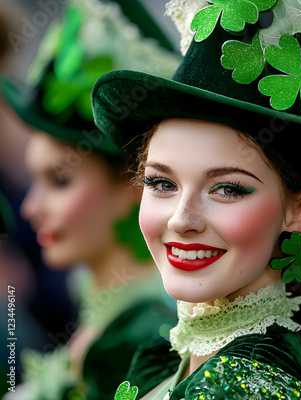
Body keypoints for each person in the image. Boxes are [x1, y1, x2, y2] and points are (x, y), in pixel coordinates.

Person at [92, 1, 301, 399]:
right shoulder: (177, 357)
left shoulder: (244, 389)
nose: (183, 219)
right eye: (162, 183)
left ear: (298, 210)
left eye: (228, 188)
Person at [1, 0, 182, 399]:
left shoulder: (141, 335)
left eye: (60, 181)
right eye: (33, 180)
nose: (30, 208)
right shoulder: (101, 307)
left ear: (133, 188)